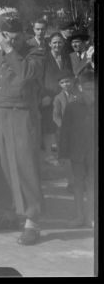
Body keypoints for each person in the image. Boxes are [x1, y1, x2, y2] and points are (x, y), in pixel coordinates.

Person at [0, 18, 45, 245]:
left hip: (23, 114)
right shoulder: (0, 54)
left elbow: (25, 74)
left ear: (24, 35)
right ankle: (9, 213)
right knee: (3, 166)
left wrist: (10, 49)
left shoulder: (35, 53)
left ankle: (33, 221)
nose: (12, 40)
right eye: (7, 35)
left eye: (16, 36)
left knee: (26, 167)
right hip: (3, 113)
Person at [57, 72, 95, 227]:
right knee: (78, 186)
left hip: (94, 154)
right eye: (87, 88)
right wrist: (62, 154)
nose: (90, 92)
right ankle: (79, 216)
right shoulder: (72, 107)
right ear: (80, 88)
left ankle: (91, 216)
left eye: (93, 89)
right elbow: (64, 131)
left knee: (93, 185)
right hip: (77, 153)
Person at [40, 32, 73, 167]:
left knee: (63, 124)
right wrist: (43, 96)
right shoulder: (44, 59)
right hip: (49, 97)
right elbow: (39, 79)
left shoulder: (67, 58)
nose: (57, 45)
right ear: (49, 44)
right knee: (50, 126)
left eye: (59, 42)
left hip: (64, 96)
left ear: (63, 44)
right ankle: (50, 155)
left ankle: (63, 154)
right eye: (54, 42)